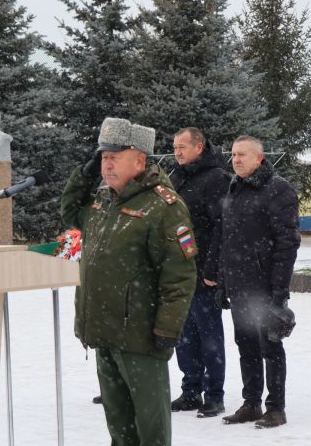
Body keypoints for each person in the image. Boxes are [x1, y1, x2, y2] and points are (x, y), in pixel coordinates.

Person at [60, 117, 197, 446]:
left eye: (114, 157)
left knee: (150, 428)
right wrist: (85, 172)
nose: (106, 165)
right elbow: (69, 212)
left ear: (139, 160)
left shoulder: (164, 206)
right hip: (105, 331)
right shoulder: (104, 200)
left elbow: (179, 274)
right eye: (103, 157)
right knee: (119, 424)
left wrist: (167, 328)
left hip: (141, 335)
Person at [214, 135, 300, 429]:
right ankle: (251, 403)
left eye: (242, 155)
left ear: (259, 158)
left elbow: (287, 244)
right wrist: (223, 283)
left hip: (265, 286)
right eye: (234, 155)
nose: (236, 160)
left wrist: (279, 292)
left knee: (270, 347)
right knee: (245, 345)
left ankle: (276, 408)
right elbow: (228, 240)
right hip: (239, 285)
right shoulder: (234, 188)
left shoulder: (278, 190)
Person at [168, 127, 230, 418]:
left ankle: (214, 395)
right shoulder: (177, 176)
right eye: (175, 146)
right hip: (178, 272)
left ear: (199, 147)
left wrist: (212, 267)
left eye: (182, 147)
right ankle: (190, 390)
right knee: (184, 335)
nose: (177, 152)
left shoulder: (216, 179)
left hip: (203, 270)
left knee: (209, 335)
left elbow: (222, 226)